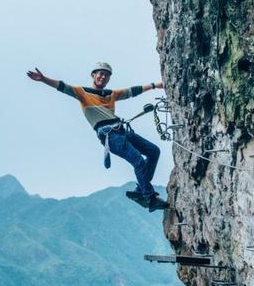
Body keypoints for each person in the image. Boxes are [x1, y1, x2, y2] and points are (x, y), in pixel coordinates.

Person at [27, 62, 169, 212]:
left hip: (122, 131)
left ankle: (141, 189)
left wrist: (155, 85)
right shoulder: (82, 93)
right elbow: (63, 87)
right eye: (100, 73)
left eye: (106, 75)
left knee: (154, 151)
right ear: (93, 75)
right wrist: (43, 79)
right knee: (138, 161)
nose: (103, 76)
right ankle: (150, 198)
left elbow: (132, 91)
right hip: (110, 136)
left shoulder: (111, 94)